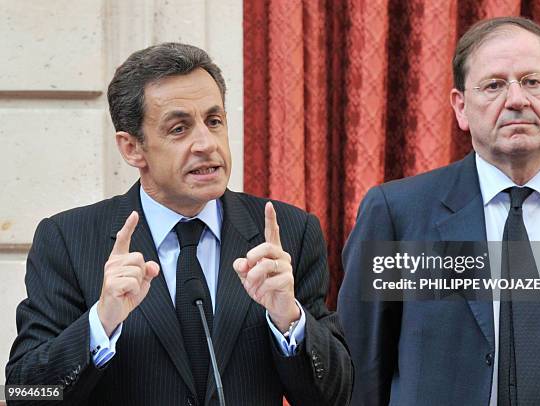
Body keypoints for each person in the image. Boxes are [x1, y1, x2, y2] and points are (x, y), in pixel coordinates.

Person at [6, 43, 352, 406]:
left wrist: (289, 319)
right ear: (132, 149)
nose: (206, 143)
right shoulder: (68, 240)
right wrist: (100, 324)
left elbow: (336, 396)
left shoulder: (289, 234)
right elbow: (24, 394)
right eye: (179, 129)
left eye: (214, 121)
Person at [338, 16, 540, 406]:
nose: (517, 99)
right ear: (461, 107)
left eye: (533, 81)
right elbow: (360, 375)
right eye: (494, 85)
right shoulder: (399, 215)